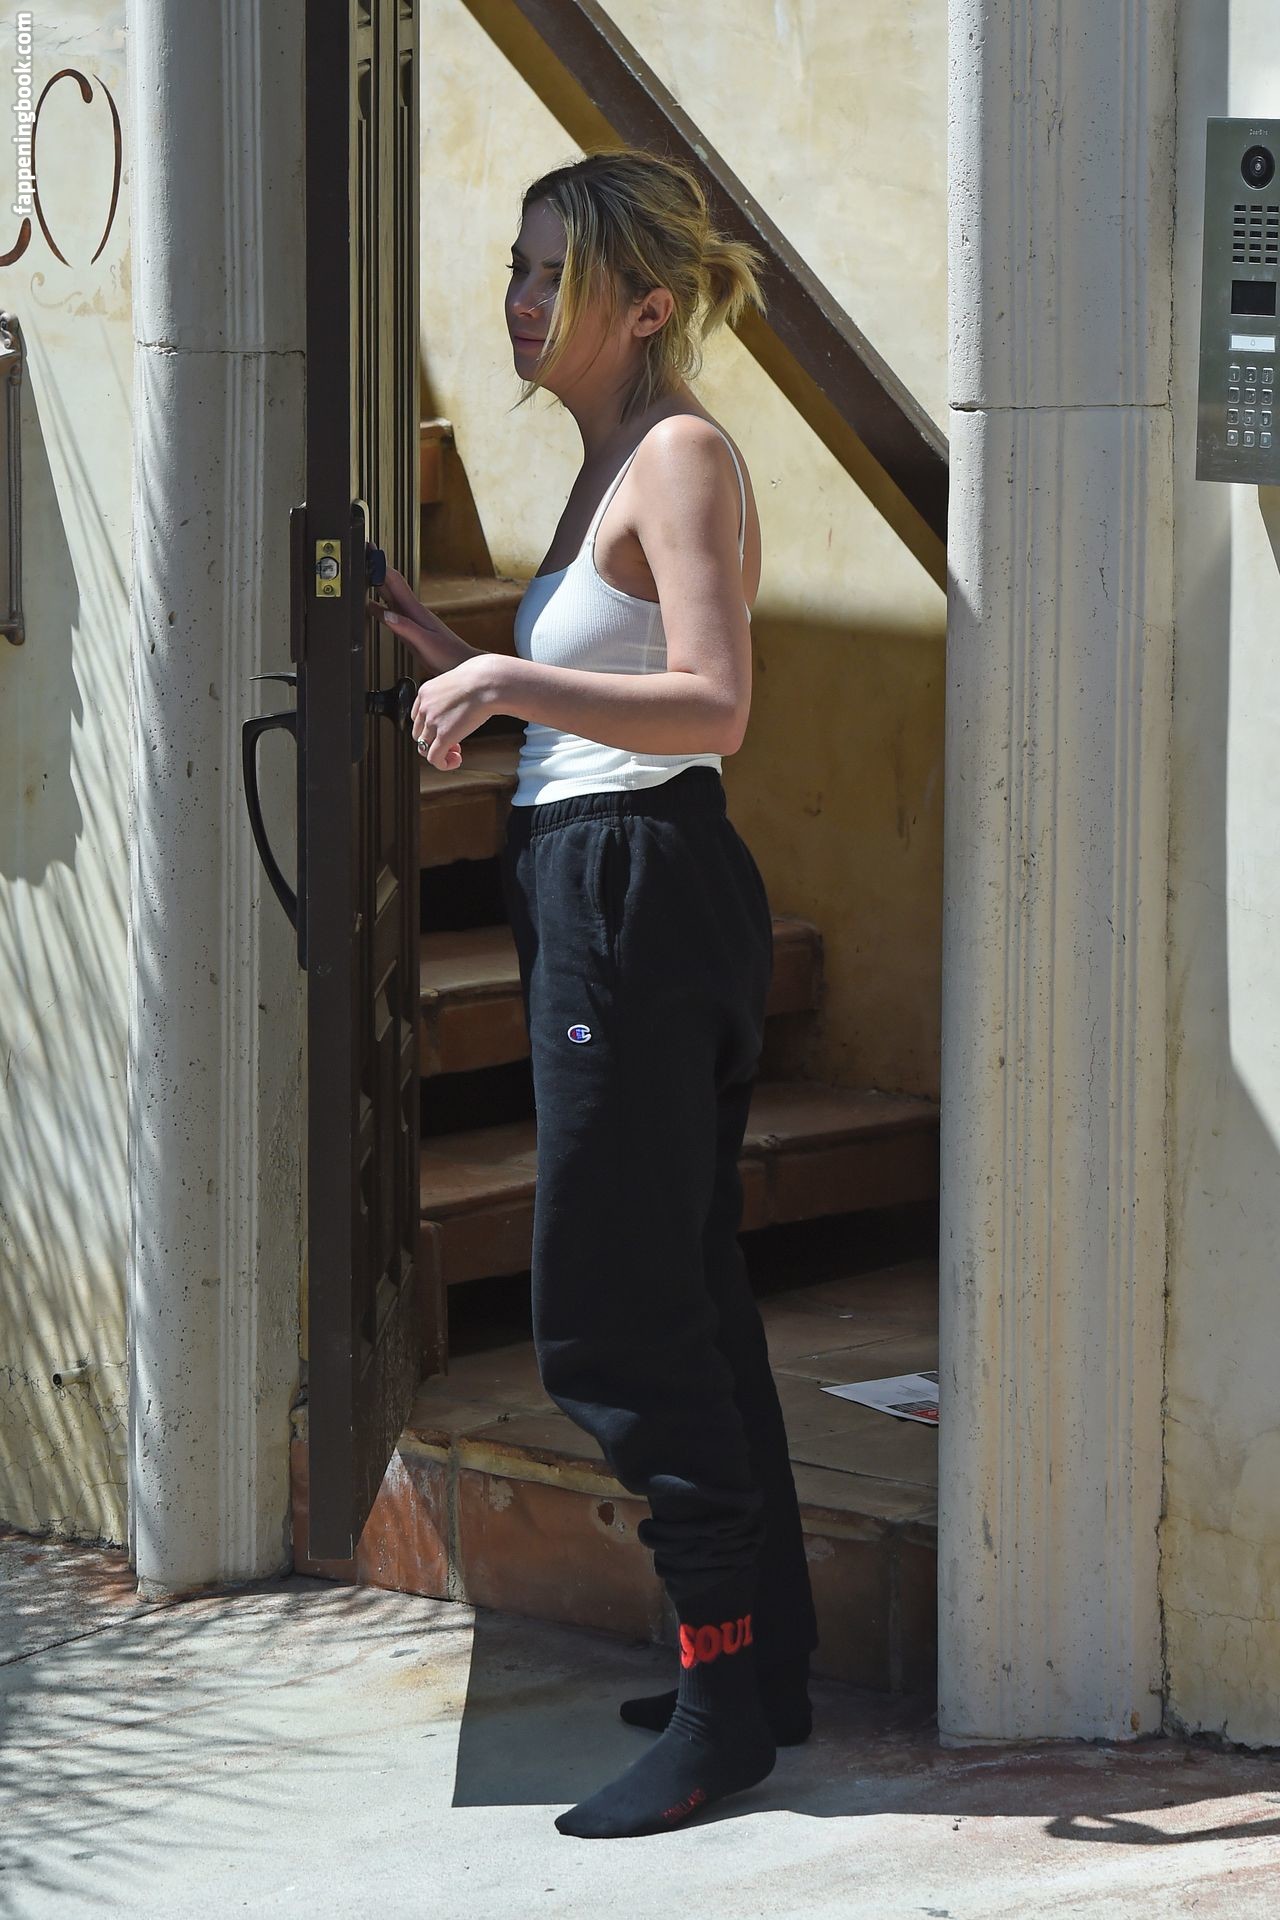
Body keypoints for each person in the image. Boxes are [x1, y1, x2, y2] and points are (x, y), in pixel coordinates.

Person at [372, 147, 819, 1840]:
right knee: (686, 1293)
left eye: (553, 272)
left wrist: (504, 668)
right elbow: (597, 702)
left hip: (640, 891)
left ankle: (718, 1710)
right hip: (607, 877)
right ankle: (763, 1670)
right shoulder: (608, 459)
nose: (519, 296)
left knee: (614, 1320)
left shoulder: (681, 454)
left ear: (646, 305)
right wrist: (447, 654)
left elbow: (711, 705)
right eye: (516, 262)